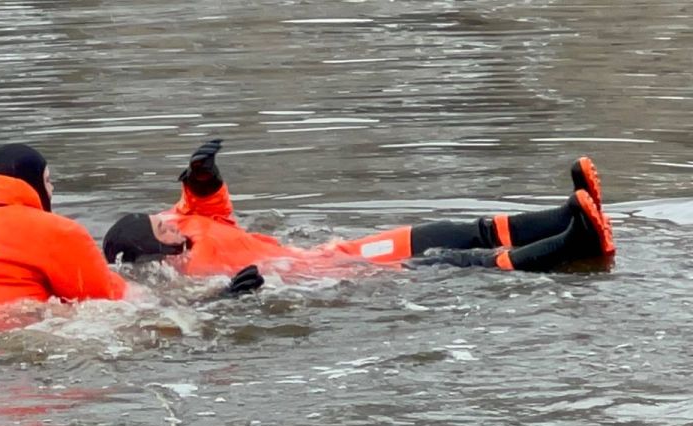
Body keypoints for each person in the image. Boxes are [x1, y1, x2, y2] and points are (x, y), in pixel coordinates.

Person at [102, 139, 615, 277]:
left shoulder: (188, 225)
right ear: (156, 249)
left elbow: (205, 207)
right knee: (455, 263)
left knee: (455, 231)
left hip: (337, 251)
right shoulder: (188, 270)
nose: (168, 216)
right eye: (159, 225)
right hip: (344, 276)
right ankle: (575, 244)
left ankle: (569, 214)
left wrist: (200, 177)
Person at [0, 143, 262, 315]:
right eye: (47, 181)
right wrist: (214, 303)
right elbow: (120, 304)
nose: (52, 191)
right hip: (31, 340)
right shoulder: (53, 231)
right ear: (30, 185)